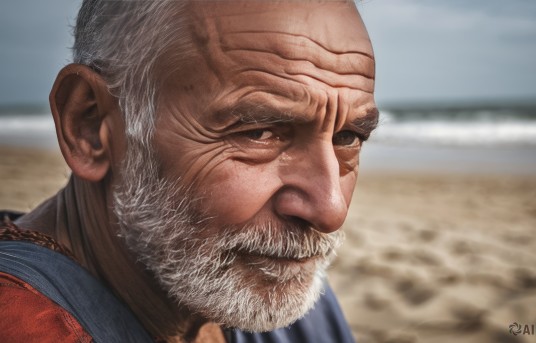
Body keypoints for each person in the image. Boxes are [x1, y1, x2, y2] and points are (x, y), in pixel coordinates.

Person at [0, 0, 378, 342]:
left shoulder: (288, 296)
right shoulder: (28, 323)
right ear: (89, 125)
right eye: (258, 132)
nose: (331, 210)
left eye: (348, 137)